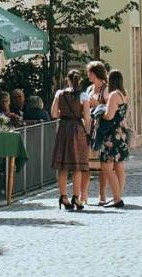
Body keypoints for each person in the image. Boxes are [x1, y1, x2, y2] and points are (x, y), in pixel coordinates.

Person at [52, 70, 92, 211]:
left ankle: (63, 197)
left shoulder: (59, 94)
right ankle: (76, 197)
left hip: (63, 128)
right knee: (77, 165)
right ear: (79, 80)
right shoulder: (83, 95)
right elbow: (87, 117)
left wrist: (64, 113)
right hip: (77, 129)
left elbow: (53, 113)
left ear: (67, 80)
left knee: (62, 165)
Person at [94, 69, 130, 208]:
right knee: (119, 166)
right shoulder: (124, 93)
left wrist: (100, 113)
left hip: (111, 135)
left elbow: (109, 116)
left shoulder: (114, 95)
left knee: (107, 167)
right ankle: (118, 195)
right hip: (121, 132)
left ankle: (117, 199)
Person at [82, 61, 110, 204]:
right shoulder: (89, 89)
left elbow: (109, 108)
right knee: (87, 164)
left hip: (100, 129)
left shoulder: (106, 89)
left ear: (94, 73)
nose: (87, 75)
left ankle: (102, 195)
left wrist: (97, 104)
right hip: (88, 128)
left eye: (89, 72)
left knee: (101, 165)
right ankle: (84, 194)